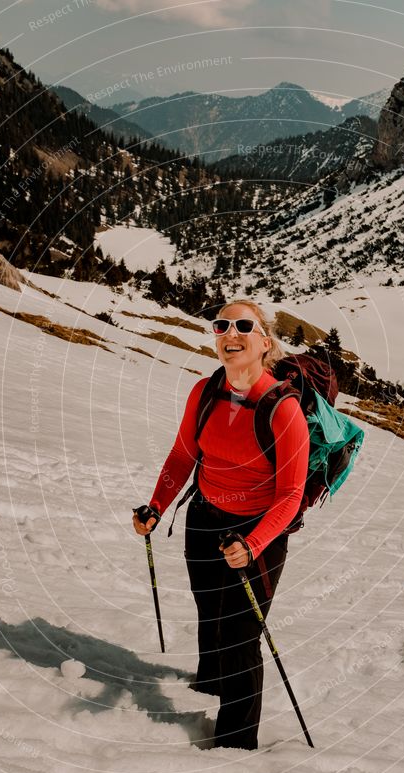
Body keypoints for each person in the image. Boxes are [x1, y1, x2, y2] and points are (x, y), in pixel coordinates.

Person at [133, 299, 310, 750]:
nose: (230, 333)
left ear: (264, 342)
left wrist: (252, 545)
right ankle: (209, 686)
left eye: (243, 326)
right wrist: (156, 505)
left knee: (241, 635)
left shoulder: (283, 410)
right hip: (205, 519)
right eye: (221, 325)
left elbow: (290, 495)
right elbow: (183, 454)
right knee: (208, 610)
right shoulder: (205, 391)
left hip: (257, 534)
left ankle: (234, 744)